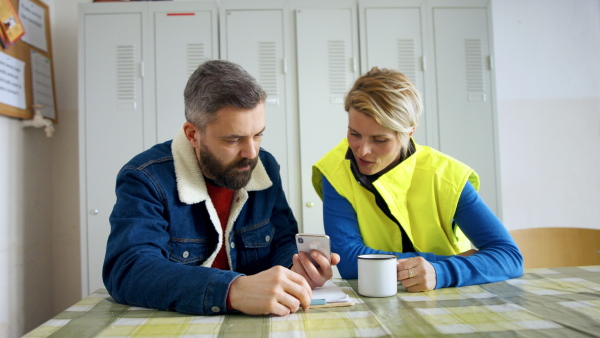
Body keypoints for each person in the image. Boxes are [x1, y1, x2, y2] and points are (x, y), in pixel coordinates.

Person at [104, 60, 339, 316]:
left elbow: (282, 240)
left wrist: (296, 269)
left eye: (258, 135)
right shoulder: (145, 177)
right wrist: (232, 290)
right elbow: (128, 269)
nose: (251, 153)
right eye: (233, 139)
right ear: (193, 134)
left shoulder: (265, 167)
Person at [312, 67, 523, 292]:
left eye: (379, 140)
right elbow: (350, 262)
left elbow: (510, 257)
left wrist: (441, 273)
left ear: (409, 132)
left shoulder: (446, 175)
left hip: (449, 296)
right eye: (354, 134)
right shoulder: (334, 170)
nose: (362, 151)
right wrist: (446, 263)